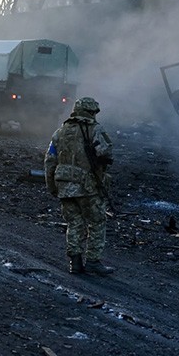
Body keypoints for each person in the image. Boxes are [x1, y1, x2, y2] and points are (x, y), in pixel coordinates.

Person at [44, 97, 114, 275]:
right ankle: (93, 261)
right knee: (97, 221)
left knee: (74, 223)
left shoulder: (59, 132)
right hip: (86, 185)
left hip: (64, 185)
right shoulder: (95, 130)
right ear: (91, 112)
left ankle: (75, 263)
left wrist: (51, 185)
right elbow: (106, 153)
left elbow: (49, 161)